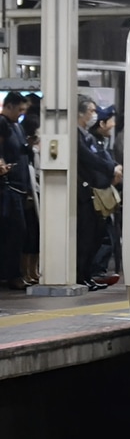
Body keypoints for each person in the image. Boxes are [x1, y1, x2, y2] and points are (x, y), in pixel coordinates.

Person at [77, 95, 121, 291]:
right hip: (84, 193)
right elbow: (90, 159)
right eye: (91, 111)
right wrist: (112, 169)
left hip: (93, 193)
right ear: (80, 113)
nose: (94, 115)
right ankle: (81, 276)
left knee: (95, 236)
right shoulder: (76, 136)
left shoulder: (87, 135)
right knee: (85, 238)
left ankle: (87, 275)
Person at [0, 91, 33, 290]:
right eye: (19, 110)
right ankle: (11, 274)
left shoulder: (17, 126)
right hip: (7, 188)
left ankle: (12, 273)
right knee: (13, 232)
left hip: (20, 187)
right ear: (9, 106)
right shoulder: (2, 123)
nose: (21, 114)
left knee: (18, 233)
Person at [89, 105, 122, 285]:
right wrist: (112, 172)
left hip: (105, 196)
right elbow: (97, 167)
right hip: (97, 195)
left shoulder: (101, 142)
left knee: (107, 235)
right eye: (110, 121)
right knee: (101, 236)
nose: (113, 124)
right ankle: (95, 271)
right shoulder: (92, 141)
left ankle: (98, 271)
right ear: (102, 123)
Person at [19, 112, 40, 286]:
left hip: (37, 197)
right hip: (28, 198)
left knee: (37, 237)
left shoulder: (36, 152)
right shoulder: (27, 152)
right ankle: (24, 272)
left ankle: (34, 271)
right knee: (29, 237)